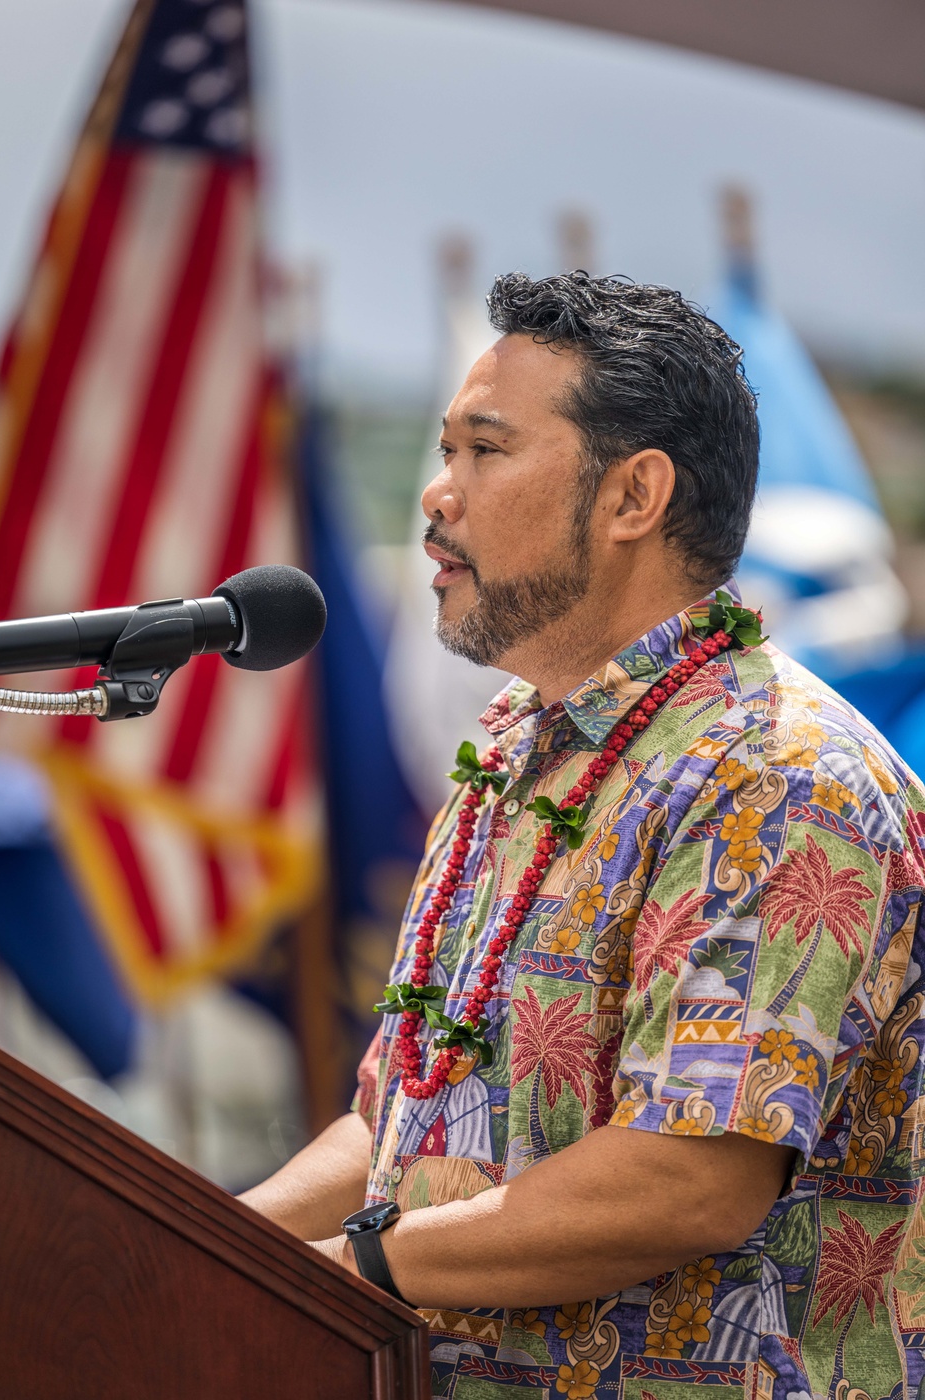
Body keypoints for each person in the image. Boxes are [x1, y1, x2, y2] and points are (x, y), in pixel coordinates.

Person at [241, 273, 925, 1400]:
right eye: (446, 449)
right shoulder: (516, 742)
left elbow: (685, 1175)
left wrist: (356, 1262)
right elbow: (407, 1120)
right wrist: (200, 1244)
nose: (434, 492)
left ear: (632, 496)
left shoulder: (775, 772)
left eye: (482, 451)